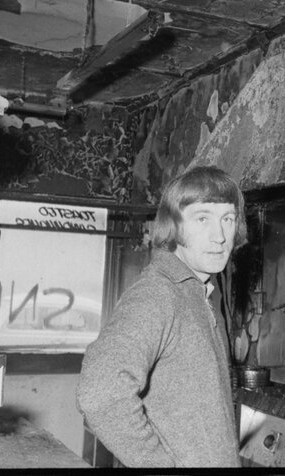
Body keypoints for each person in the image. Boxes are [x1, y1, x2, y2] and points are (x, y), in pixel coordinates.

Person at [77, 166, 247, 468]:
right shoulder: (158, 293)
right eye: (203, 218)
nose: (220, 236)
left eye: (228, 219)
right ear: (174, 226)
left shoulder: (200, 292)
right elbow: (100, 393)